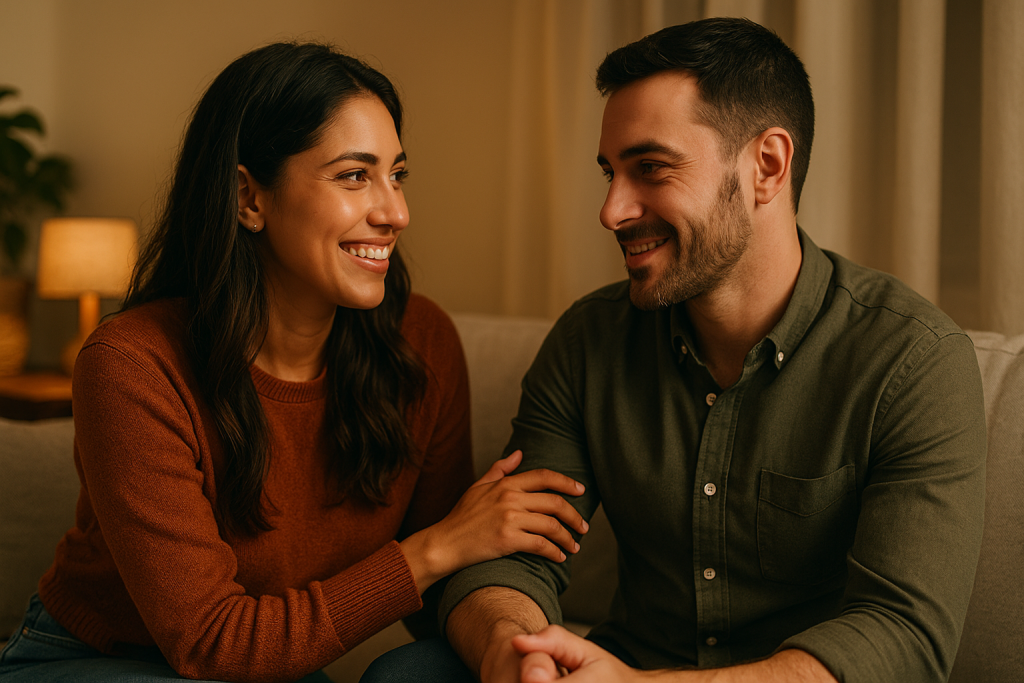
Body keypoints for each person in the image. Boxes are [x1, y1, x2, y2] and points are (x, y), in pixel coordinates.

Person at [361, 17, 987, 683]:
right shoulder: (588, 342)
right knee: (410, 674)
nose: (611, 210)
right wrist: (512, 648)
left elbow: (903, 637)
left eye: (650, 168)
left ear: (767, 165)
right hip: (616, 666)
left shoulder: (912, 361)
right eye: (610, 171)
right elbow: (511, 554)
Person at [0, 42, 588, 683]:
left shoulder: (423, 342)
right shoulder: (131, 366)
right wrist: (439, 546)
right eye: (353, 176)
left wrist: (510, 643)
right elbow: (211, 645)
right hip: (105, 661)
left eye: (398, 174)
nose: (395, 213)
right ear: (249, 198)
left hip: (276, 664)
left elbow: (439, 586)